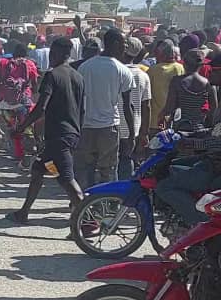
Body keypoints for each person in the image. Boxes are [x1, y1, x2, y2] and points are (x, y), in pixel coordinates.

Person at [6, 38, 85, 224]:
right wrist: (77, 132)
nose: (50, 57)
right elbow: (82, 109)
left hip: (59, 136)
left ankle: (88, 221)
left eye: (52, 53)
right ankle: (23, 213)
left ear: (57, 53)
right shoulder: (78, 77)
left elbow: (41, 108)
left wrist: (21, 128)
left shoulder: (52, 75)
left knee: (67, 179)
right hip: (70, 134)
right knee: (38, 170)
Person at [76, 28, 136, 189]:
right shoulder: (122, 70)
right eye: (124, 43)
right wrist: (131, 134)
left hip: (86, 126)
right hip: (109, 128)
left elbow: (78, 100)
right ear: (115, 44)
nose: (125, 47)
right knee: (108, 170)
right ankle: (107, 200)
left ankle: (83, 199)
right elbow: (127, 105)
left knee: (85, 169)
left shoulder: (85, 67)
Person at [0, 44, 39, 164]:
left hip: (6, 103)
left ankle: (18, 154)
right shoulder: (29, 64)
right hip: (24, 102)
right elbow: (34, 84)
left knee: (12, 128)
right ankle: (32, 151)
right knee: (27, 127)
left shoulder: (4, 63)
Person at [117, 37, 152, 180]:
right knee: (127, 160)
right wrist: (144, 133)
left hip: (113, 125)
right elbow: (146, 106)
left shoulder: (117, 71)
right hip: (134, 128)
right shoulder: (143, 76)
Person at [160, 49, 217, 131]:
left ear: (184, 64)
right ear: (201, 65)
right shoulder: (207, 84)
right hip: (200, 128)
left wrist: (161, 116)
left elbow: (169, 107)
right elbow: (213, 108)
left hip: (180, 128)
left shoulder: (176, 82)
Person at [147, 39, 184, 136]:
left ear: (161, 54)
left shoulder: (152, 70)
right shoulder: (180, 68)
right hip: (174, 120)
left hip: (155, 120)